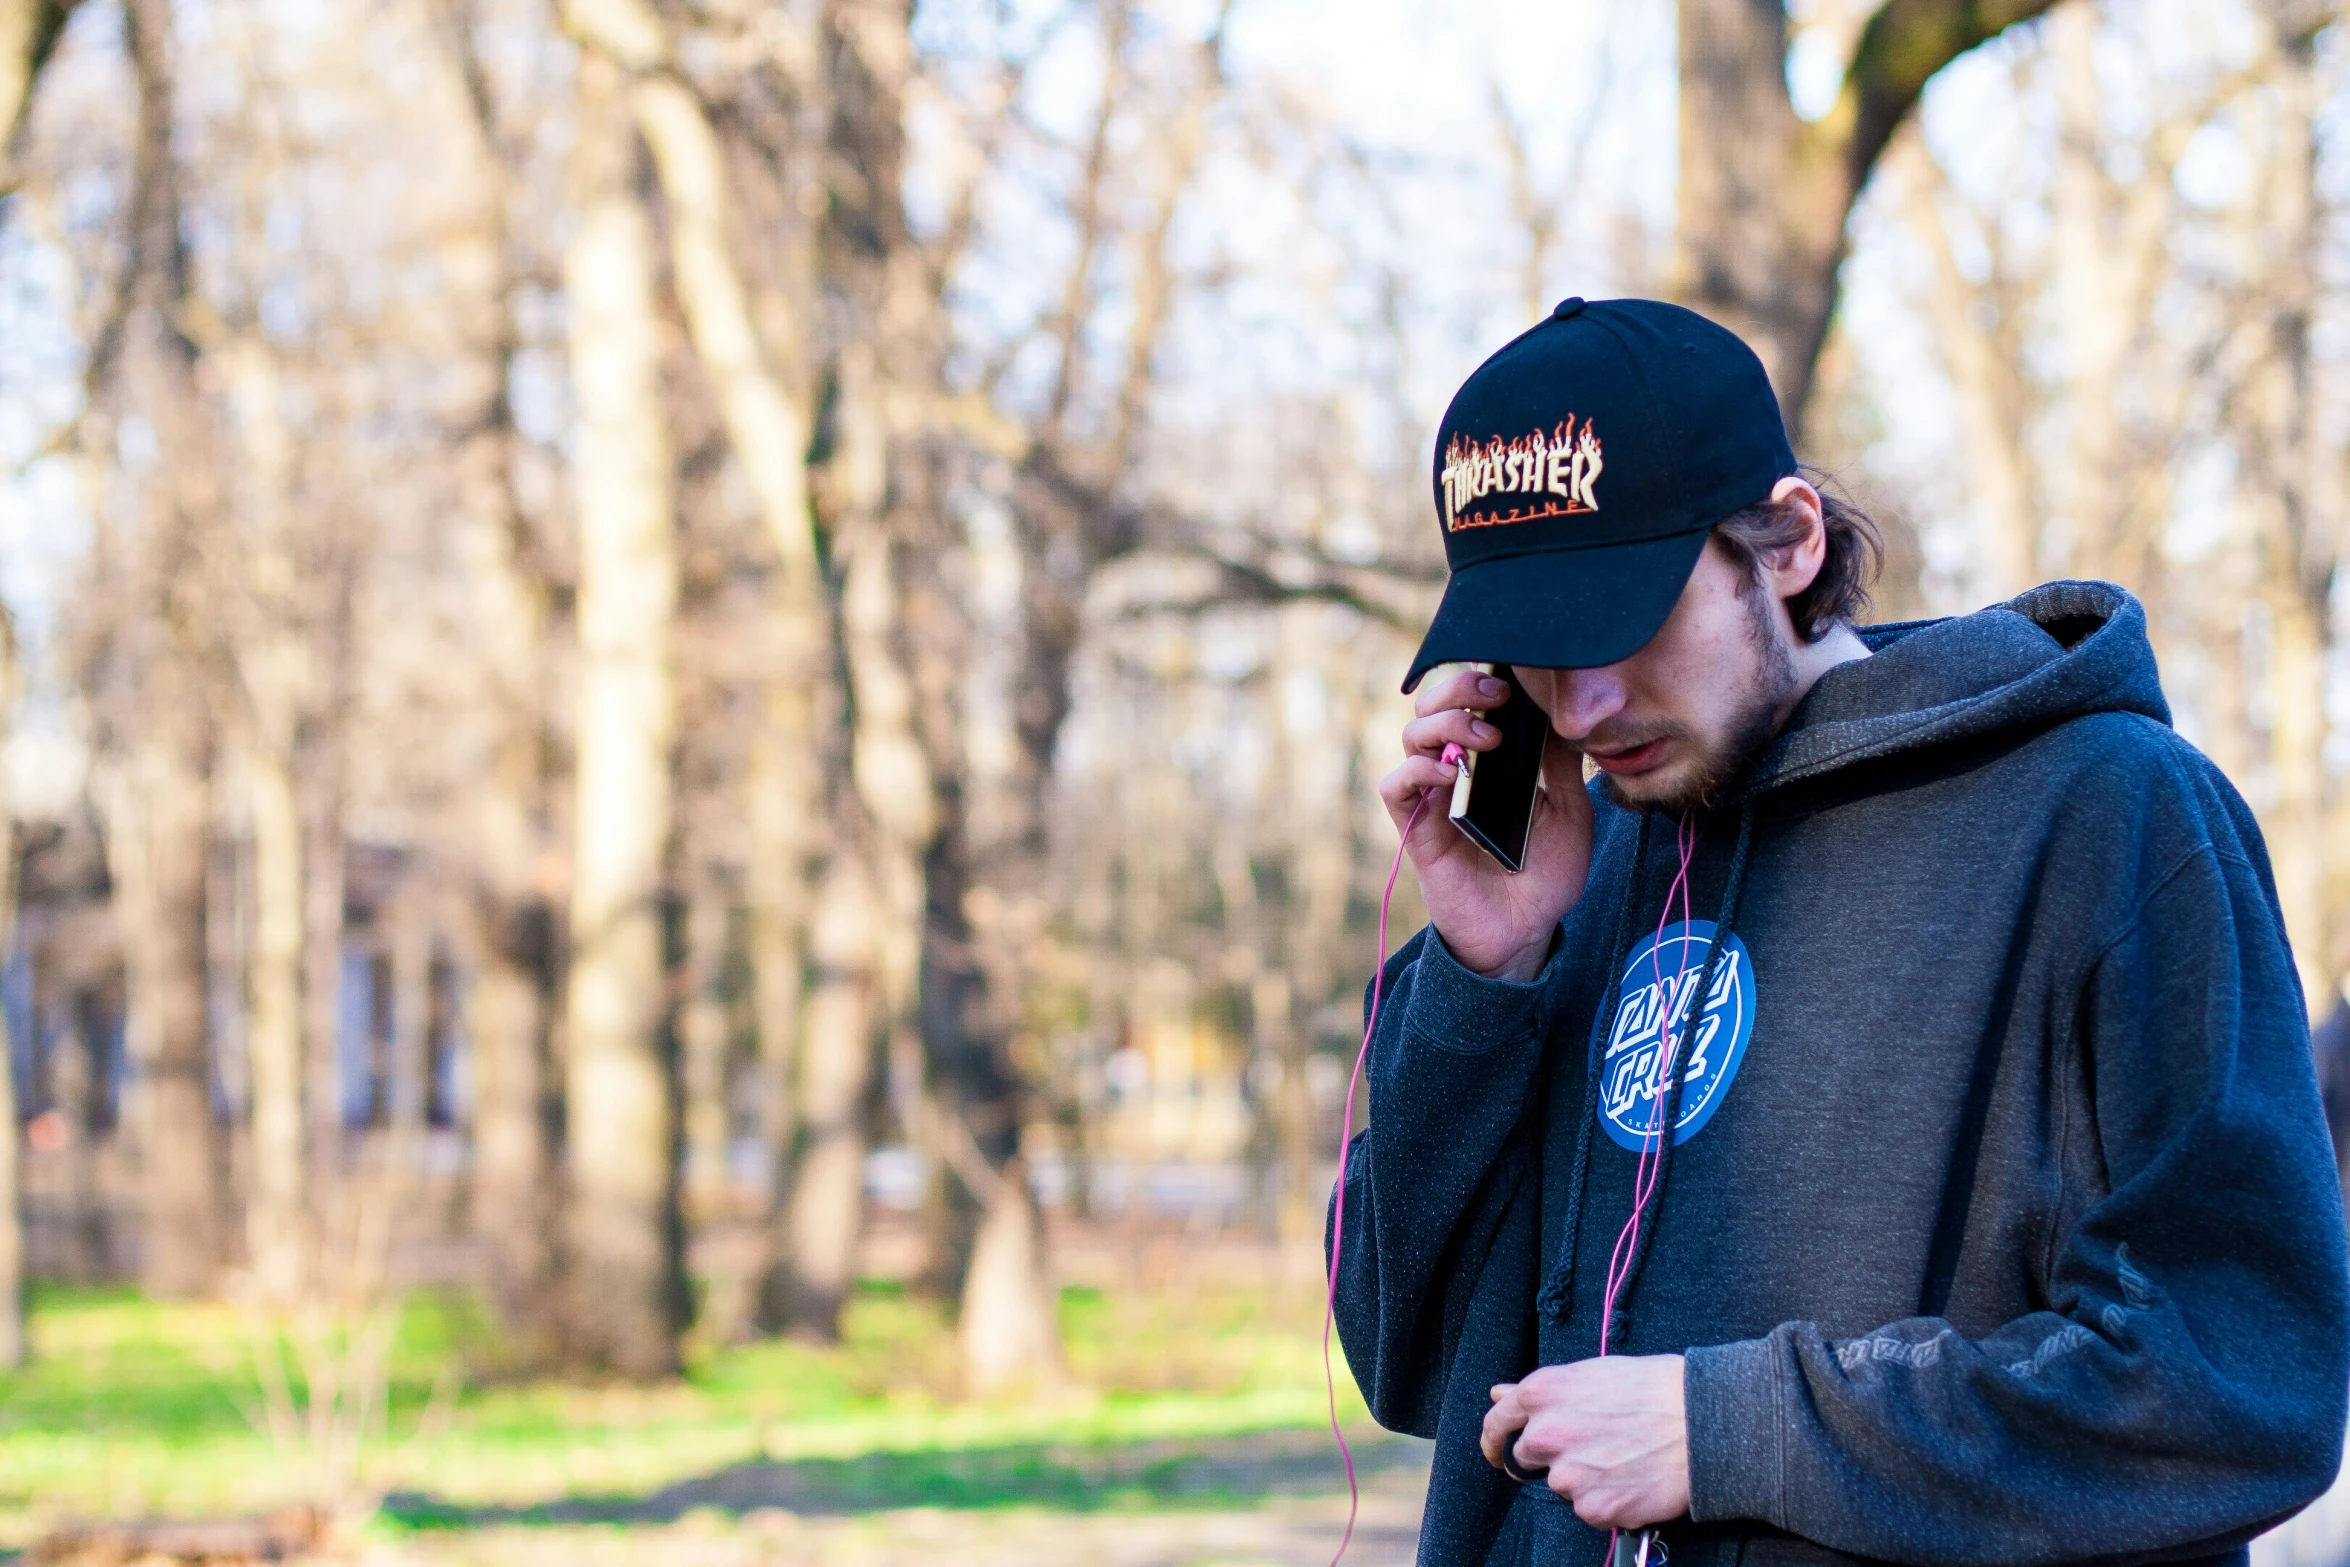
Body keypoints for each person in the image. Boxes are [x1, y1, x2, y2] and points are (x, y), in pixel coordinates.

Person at [1333, 296, 2350, 1567]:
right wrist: (1487, 972)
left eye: (1624, 618)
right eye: (1536, 648)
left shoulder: (2108, 815)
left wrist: (1735, 1429)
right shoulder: (1570, 873)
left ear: (1790, 543)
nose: (1582, 702)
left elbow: (2238, 1378)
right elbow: (1398, 1354)